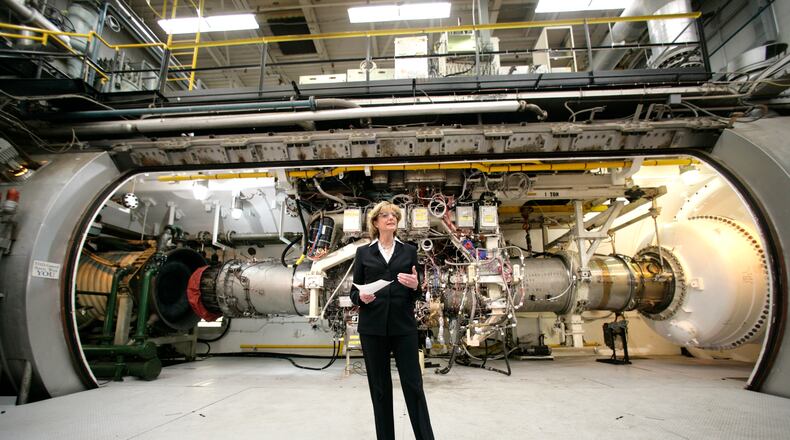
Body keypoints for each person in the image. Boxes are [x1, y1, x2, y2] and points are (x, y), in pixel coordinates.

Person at [349, 201, 435, 440]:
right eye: (385, 215)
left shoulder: (408, 251)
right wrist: (361, 297)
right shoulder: (363, 253)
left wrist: (416, 286)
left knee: (414, 385)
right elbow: (353, 292)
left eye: (394, 215)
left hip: (403, 326)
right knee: (380, 389)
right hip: (372, 328)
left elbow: (416, 292)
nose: (391, 218)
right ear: (375, 222)